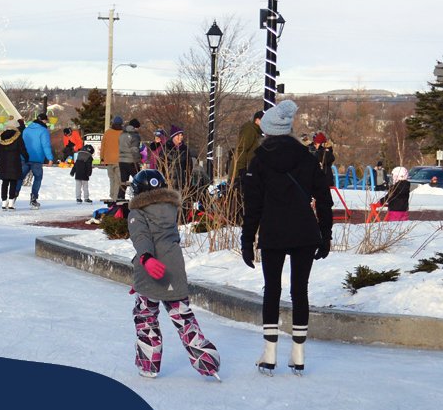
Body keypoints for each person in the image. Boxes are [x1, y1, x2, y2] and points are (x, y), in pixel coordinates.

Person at [240, 100, 332, 376]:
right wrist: (325, 234)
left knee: (272, 290)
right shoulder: (307, 158)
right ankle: (299, 354)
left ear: (267, 129)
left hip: (273, 232)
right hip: (304, 232)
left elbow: (252, 207)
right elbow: (324, 199)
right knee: (299, 290)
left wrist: (247, 240)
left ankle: (269, 355)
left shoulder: (259, 162)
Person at [127, 169, 221, 380]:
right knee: (183, 317)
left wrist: (145, 259)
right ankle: (207, 362)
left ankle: (148, 364)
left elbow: (142, 238)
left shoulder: (137, 213)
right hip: (174, 269)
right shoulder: (170, 210)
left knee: (146, 317)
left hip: (151, 268)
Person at [22, 113, 55, 209]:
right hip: (37, 159)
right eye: (46, 121)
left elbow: (22, 144)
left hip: (25, 158)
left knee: (20, 177)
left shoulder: (26, 130)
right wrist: (50, 158)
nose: (46, 123)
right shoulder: (43, 131)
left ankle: (13, 196)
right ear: (43, 121)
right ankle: (33, 198)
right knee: (38, 178)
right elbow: (45, 145)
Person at [0, 126, 27, 210]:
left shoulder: (0, 138)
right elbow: (22, 149)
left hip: (3, 163)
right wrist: (26, 157)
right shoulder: (17, 137)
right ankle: (11, 203)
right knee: (13, 182)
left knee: (4, 183)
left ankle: (3, 202)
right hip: (14, 163)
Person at [231, 111, 264, 188]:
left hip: (247, 171)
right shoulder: (250, 129)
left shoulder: (257, 131)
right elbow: (241, 149)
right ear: (257, 120)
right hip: (241, 172)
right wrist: (241, 170)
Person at [118, 119, 144, 200]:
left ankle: (120, 196)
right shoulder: (135, 135)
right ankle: (139, 197)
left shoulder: (122, 134)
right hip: (131, 161)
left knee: (123, 181)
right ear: (135, 127)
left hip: (121, 161)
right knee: (139, 180)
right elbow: (134, 149)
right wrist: (139, 159)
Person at [101, 116, 124, 200]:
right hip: (119, 160)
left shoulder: (107, 133)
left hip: (108, 159)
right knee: (118, 180)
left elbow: (103, 146)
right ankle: (115, 197)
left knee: (112, 179)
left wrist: (102, 158)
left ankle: (112, 196)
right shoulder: (122, 133)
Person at [166, 125, 191, 190]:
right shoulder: (166, 148)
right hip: (169, 181)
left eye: (181, 135)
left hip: (182, 181)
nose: (181, 137)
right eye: (178, 135)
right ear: (173, 137)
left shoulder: (185, 149)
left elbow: (189, 166)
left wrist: (188, 180)